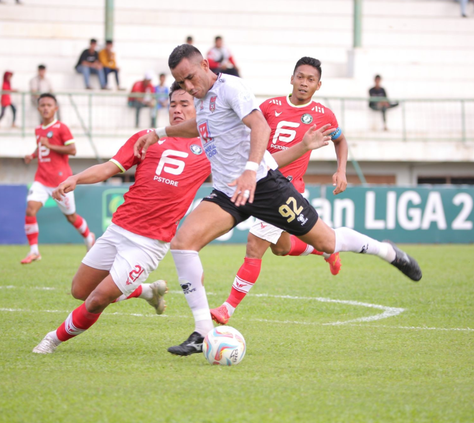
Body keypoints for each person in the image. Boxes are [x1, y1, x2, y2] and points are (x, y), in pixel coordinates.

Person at [134, 45, 422, 357]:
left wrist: (248, 171)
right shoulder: (202, 100)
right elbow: (198, 127)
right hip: (229, 192)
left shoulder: (231, 87)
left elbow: (260, 126)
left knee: (327, 242)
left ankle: (387, 251)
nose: (189, 87)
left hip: (265, 185)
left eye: (190, 78)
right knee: (183, 243)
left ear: (205, 64)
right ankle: (202, 331)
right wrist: (159, 131)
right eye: (181, 83)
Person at [31, 83, 329, 354]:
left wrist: (303, 147)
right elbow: (110, 167)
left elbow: (267, 162)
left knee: (96, 299)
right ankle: (147, 290)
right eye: (173, 104)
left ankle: (50, 341)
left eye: (185, 104)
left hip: (148, 244)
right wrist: (77, 178)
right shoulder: (147, 139)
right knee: (79, 291)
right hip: (118, 229)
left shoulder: (212, 144)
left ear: (197, 108)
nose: (177, 109)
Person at [210, 57, 347, 325]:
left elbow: (340, 139)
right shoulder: (270, 107)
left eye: (310, 79)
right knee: (281, 248)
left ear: (318, 85)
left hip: (285, 189)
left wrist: (341, 170)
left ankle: (227, 308)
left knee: (254, 246)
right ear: (292, 78)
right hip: (259, 183)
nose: (304, 83)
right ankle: (325, 250)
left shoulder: (323, 115)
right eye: (300, 76)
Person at [22, 93, 95, 264]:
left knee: (71, 217)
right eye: (42, 105)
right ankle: (34, 251)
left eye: (49, 105)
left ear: (55, 108)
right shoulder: (38, 129)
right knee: (30, 210)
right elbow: (42, 148)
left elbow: (73, 150)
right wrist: (32, 155)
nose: (45, 108)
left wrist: (50, 146)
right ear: (38, 108)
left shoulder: (62, 128)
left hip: (61, 181)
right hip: (41, 178)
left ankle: (88, 236)